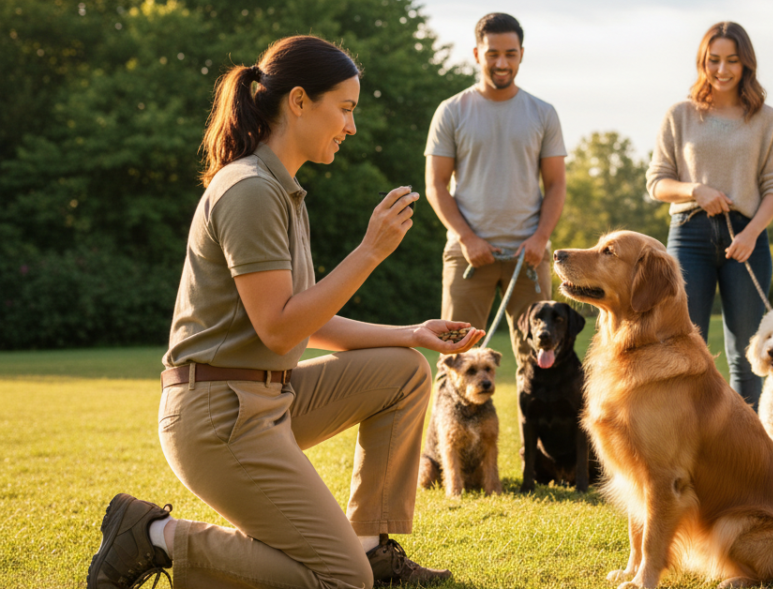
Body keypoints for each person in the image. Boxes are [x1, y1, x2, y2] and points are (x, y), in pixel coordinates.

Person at [87, 35, 485, 589]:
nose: (351, 127)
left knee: (404, 370)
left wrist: (413, 333)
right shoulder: (249, 189)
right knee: (342, 582)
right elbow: (277, 329)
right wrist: (369, 252)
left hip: (267, 400)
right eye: (344, 109)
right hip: (217, 417)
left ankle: (370, 547)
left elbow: (304, 320)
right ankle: (153, 536)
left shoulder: (282, 191)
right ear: (299, 101)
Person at [646, 21, 773, 411]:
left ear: (746, 65)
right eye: (714, 60)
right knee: (681, 348)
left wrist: (752, 234)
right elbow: (657, 183)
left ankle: (746, 453)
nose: (722, 70)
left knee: (747, 352)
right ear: (702, 62)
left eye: (732, 61)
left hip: (746, 237)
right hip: (688, 236)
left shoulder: (766, 119)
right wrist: (696, 190)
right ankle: (684, 445)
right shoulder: (680, 114)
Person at [424, 12, 566, 364]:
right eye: (492, 54)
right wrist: (467, 239)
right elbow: (435, 185)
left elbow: (556, 183)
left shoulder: (543, 113)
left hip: (528, 257)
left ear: (521, 54)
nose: (502, 63)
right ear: (477, 54)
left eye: (510, 54)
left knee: (539, 365)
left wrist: (540, 238)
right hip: (468, 255)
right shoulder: (451, 111)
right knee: (455, 359)